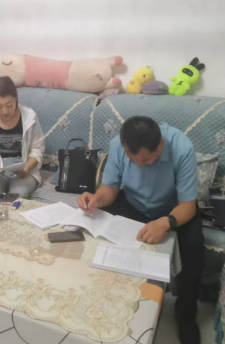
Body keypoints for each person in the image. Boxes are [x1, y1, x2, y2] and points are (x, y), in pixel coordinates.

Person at [77, 116, 204, 344]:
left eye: (145, 160)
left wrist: (165, 223)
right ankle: (112, 297)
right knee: (101, 226)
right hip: (133, 203)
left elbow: (188, 205)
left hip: (173, 209)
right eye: (132, 160)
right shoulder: (118, 145)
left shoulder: (182, 148)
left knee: (194, 245)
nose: (138, 166)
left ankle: (186, 313)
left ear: (160, 145)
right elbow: (110, 189)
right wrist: (96, 199)